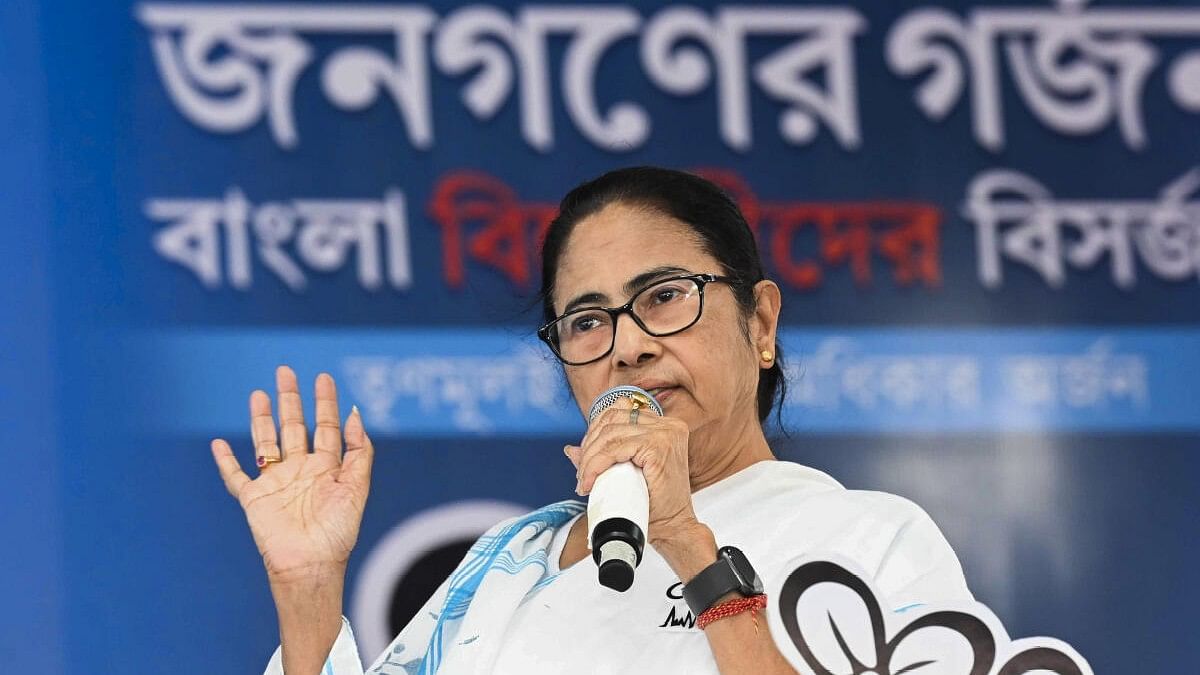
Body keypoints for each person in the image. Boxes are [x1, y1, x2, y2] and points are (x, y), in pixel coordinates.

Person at [210, 166, 972, 675]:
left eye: (666, 294)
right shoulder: (511, 558)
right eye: (585, 321)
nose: (629, 346)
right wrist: (309, 592)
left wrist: (689, 546)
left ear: (761, 323)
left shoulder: (871, 537)